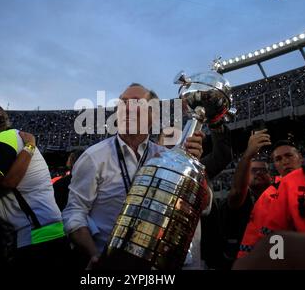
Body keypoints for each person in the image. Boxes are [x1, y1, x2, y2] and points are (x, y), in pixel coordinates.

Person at [62, 83, 205, 269]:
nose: (127, 108)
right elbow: (75, 212)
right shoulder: (94, 157)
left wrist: (192, 168)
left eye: (136, 102)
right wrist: (94, 253)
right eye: (122, 102)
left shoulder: (165, 158)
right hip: (111, 264)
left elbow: (203, 204)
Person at [0, 103, 71, 269]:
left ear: (0, 120)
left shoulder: (6, 137)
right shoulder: (16, 138)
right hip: (46, 232)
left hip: (37, 237)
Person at [237, 140, 303, 258]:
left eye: (289, 156)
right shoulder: (268, 196)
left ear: (300, 158)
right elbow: (254, 240)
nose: (285, 162)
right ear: (275, 165)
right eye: (278, 159)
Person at [218, 129, 273, 269]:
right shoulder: (243, 199)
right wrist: (248, 155)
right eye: (253, 170)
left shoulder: (279, 197)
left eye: (264, 170)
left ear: (271, 177)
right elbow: (237, 191)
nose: (259, 173)